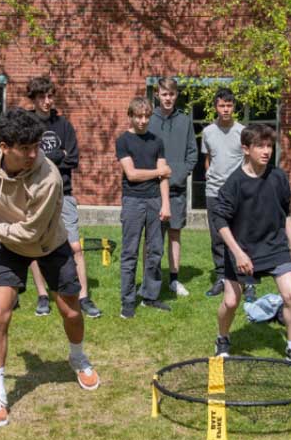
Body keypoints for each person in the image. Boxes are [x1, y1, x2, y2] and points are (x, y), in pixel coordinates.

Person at [0, 108, 100, 427]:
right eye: (26, 149)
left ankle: (78, 357)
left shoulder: (48, 179)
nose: (34, 154)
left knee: (71, 312)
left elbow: (31, 233)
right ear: (4, 147)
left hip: (48, 243)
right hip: (9, 244)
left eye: (37, 146)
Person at [210, 123, 291, 365]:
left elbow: (285, 213)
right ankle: (223, 338)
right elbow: (220, 221)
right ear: (246, 149)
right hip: (242, 248)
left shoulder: (278, 177)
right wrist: (238, 254)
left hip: (274, 246)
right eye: (260, 146)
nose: (266, 151)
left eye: (269, 146)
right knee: (231, 302)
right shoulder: (235, 182)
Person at [23, 76, 102, 320]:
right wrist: (58, 154)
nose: (47, 101)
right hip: (34, 192)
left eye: (50, 96)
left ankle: (83, 297)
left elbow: (73, 159)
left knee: (75, 247)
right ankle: (43, 295)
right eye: (42, 97)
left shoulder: (64, 125)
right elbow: (26, 159)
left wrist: (44, 157)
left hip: (63, 192)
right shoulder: (27, 124)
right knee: (36, 246)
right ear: (34, 99)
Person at [115, 95, 171, 317]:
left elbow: (164, 178)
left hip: (155, 200)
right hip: (133, 201)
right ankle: (128, 301)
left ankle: (150, 296)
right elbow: (132, 174)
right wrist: (159, 172)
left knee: (155, 251)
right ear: (130, 117)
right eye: (138, 116)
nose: (142, 121)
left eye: (146, 116)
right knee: (130, 252)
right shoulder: (123, 141)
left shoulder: (157, 141)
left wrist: (166, 204)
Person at [149, 77, 198, 297]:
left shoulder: (185, 121)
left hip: (176, 187)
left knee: (175, 234)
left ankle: (175, 280)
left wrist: (177, 174)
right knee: (153, 236)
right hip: (152, 188)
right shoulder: (148, 120)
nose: (168, 98)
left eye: (172, 94)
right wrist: (156, 175)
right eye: (164, 94)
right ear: (157, 95)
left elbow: (192, 154)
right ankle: (153, 279)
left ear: (177, 95)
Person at [199, 87, 249, 300]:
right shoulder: (208, 132)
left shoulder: (242, 132)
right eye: (222, 105)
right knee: (217, 237)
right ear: (215, 107)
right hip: (214, 192)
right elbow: (208, 158)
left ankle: (246, 280)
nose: (226, 109)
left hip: (237, 193)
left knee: (241, 236)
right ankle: (221, 277)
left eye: (229, 105)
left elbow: (248, 162)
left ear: (234, 107)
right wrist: (210, 176)